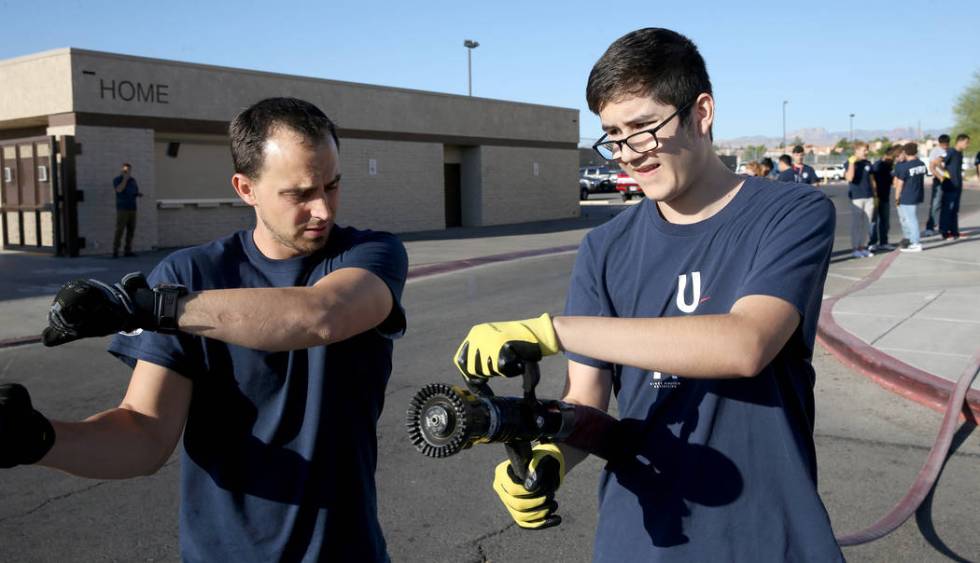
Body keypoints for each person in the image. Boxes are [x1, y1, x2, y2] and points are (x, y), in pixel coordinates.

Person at [454, 28, 842, 562]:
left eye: (643, 128)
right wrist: (549, 460)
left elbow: (746, 344)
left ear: (700, 112)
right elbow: (587, 400)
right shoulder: (605, 248)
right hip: (643, 540)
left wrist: (553, 329)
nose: (628, 154)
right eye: (613, 134)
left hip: (770, 533)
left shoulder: (791, 214)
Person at [0, 97, 408, 562]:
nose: (322, 210)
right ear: (245, 188)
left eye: (332, 186)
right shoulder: (191, 275)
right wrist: (38, 439)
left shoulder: (371, 255)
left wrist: (155, 308)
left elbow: (322, 315)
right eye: (299, 194)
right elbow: (144, 435)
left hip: (347, 552)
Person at [893, 142, 927, 252]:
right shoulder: (921, 164)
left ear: (905, 152)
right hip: (917, 194)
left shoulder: (905, 167)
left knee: (911, 220)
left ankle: (915, 242)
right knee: (911, 219)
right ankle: (911, 240)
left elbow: (899, 185)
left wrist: (897, 198)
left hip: (907, 196)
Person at [845, 141, 876, 258]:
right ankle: (855, 248)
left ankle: (863, 247)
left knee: (867, 223)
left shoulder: (867, 163)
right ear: (857, 151)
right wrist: (852, 163)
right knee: (857, 224)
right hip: (857, 198)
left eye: (867, 150)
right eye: (864, 150)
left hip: (869, 197)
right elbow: (849, 177)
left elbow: (872, 180)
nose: (866, 152)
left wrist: (875, 194)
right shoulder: (849, 162)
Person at [938, 134, 970, 240]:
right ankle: (945, 233)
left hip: (958, 185)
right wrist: (945, 174)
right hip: (950, 185)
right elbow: (938, 162)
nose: (967, 145)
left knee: (955, 210)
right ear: (959, 141)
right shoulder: (950, 151)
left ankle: (954, 232)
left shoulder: (959, 153)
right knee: (947, 209)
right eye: (966, 142)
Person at [869, 145, 900, 251]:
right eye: (895, 157)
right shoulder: (878, 165)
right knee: (874, 221)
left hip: (885, 197)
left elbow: (892, 181)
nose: (895, 160)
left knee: (885, 222)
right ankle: (872, 243)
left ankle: (884, 242)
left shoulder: (890, 166)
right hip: (876, 197)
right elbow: (872, 181)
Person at [112, 163, 141, 258]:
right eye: (125, 170)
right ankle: (115, 250)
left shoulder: (133, 180)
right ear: (122, 170)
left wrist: (138, 194)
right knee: (120, 229)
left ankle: (128, 250)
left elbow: (135, 191)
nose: (127, 172)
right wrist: (125, 178)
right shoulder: (117, 180)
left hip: (132, 208)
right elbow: (119, 190)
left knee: (131, 230)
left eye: (129, 170)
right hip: (122, 208)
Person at [924, 134, 950, 236]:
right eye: (943, 144)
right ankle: (930, 227)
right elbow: (931, 167)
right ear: (940, 143)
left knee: (946, 204)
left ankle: (943, 226)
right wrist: (940, 177)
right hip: (939, 180)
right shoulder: (935, 151)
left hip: (948, 180)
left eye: (947, 144)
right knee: (935, 204)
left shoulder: (949, 150)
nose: (945, 146)